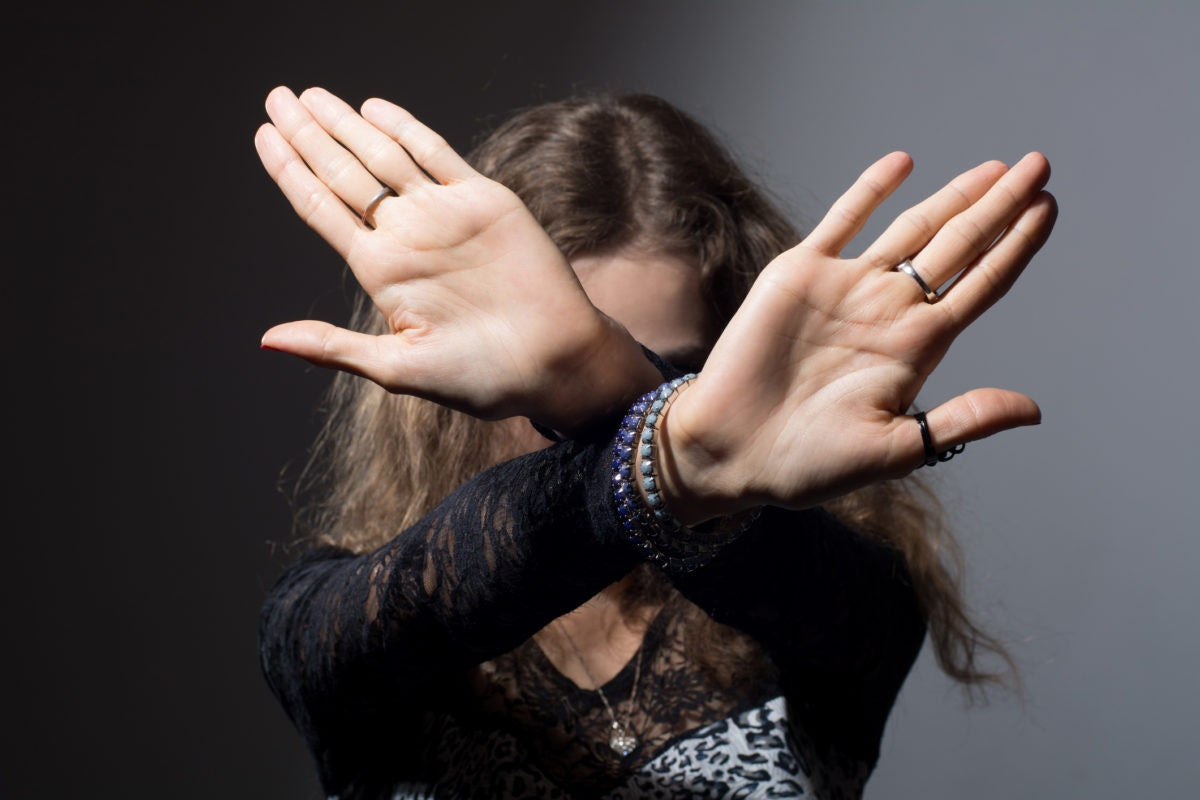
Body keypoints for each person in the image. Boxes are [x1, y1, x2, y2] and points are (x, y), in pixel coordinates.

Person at [254, 85, 1056, 799]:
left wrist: (627, 404)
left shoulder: (833, 596)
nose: (573, 426)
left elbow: (846, 611)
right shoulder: (347, 619)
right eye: (539, 388)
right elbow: (386, 624)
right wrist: (652, 428)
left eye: (669, 372)